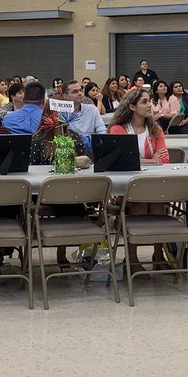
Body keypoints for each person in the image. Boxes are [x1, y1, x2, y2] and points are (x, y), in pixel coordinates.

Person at [109, 88, 170, 273]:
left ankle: (158, 255)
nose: (149, 105)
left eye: (149, 101)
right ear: (132, 106)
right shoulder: (117, 129)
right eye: (144, 102)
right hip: (127, 187)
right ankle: (132, 258)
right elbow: (121, 160)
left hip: (153, 185)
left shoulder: (155, 129)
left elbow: (165, 159)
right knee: (139, 204)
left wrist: (138, 159)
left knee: (158, 205)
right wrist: (151, 160)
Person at [62, 79, 107, 146]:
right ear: (65, 96)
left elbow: (102, 132)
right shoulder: (61, 114)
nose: (80, 93)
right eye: (75, 92)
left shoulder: (92, 110)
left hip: (91, 148)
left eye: (80, 90)